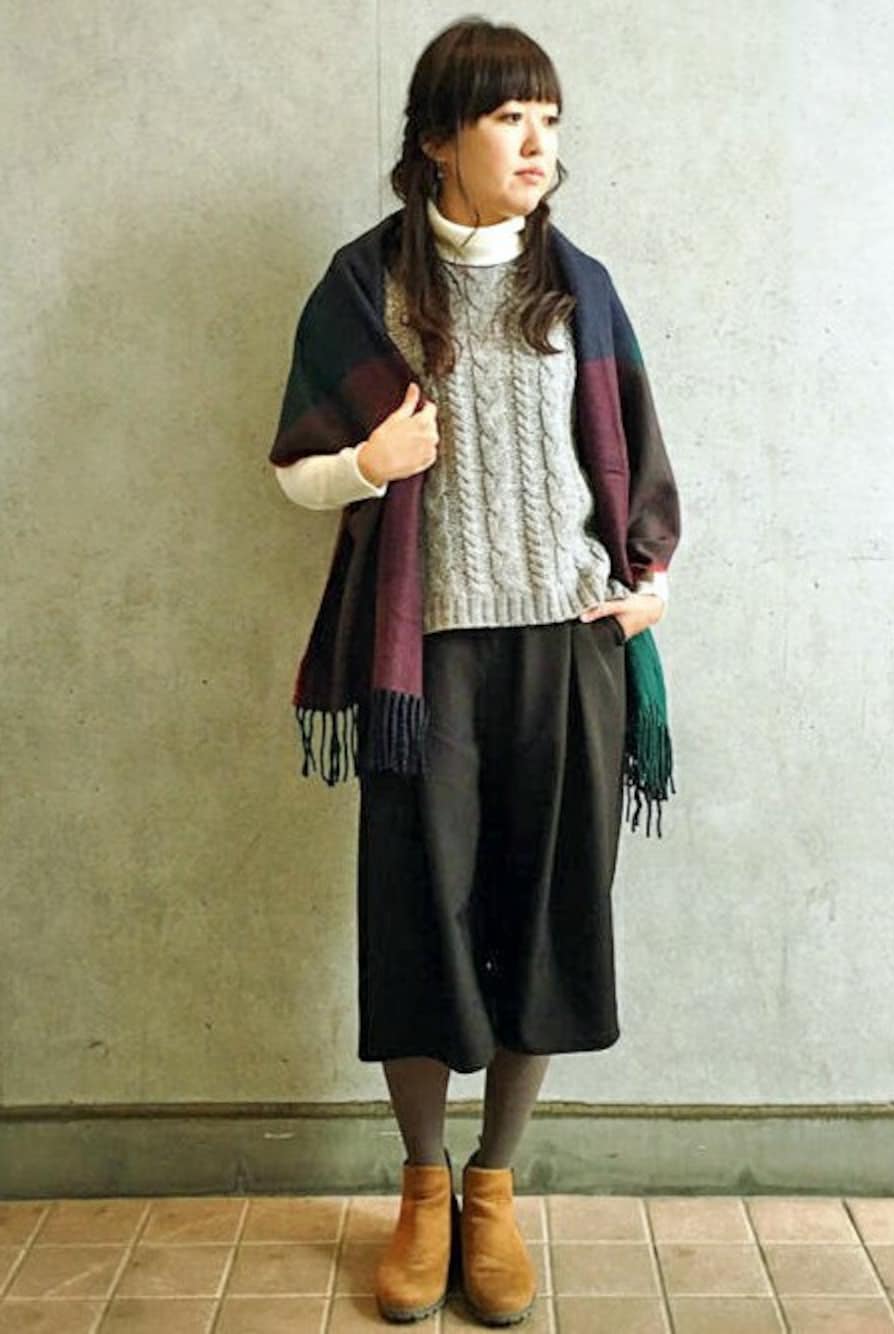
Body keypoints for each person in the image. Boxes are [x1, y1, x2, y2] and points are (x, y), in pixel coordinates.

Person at [269, 18, 681, 1326]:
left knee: (544, 913)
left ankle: (494, 1186)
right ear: (440, 138)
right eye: (511, 119)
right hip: (424, 661)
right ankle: (423, 1186)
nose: (538, 144)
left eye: (550, 120)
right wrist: (366, 467)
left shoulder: (582, 285)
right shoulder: (367, 286)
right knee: (419, 913)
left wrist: (651, 581)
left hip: (569, 650)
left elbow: (637, 461)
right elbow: (294, 468)